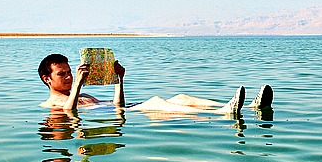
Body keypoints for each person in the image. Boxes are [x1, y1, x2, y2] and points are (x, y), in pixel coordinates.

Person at [38, 54, 273, 114]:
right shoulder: (53, 102)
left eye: (70, 73)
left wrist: (119, 79)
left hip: (122, 109)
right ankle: (224, 113)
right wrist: (78, 85)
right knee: (157, 101)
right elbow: (69, 111)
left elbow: (118, 105)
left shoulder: (80, 93)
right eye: (62, 74)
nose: (69, 77)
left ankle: (245, 107)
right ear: (47, 79)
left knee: (182, 97)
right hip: (127, 112)